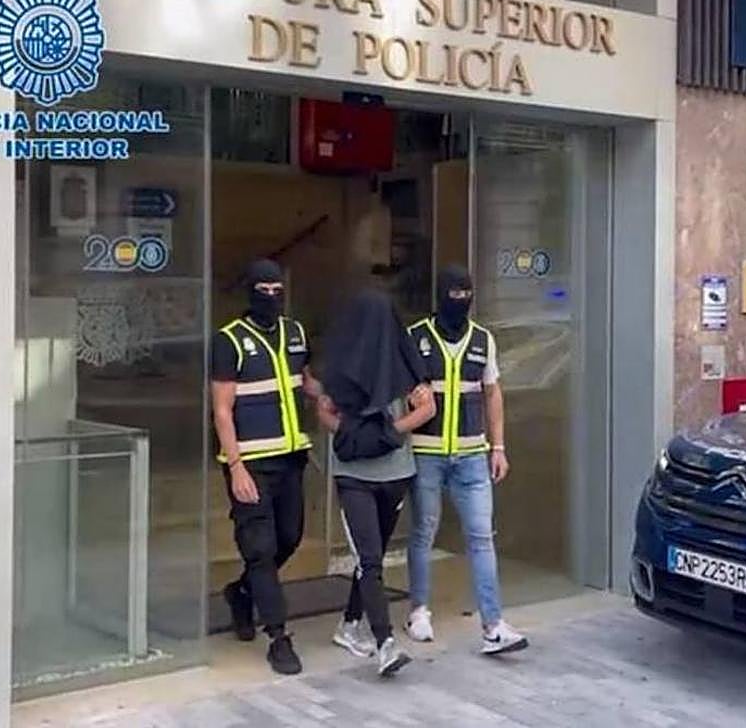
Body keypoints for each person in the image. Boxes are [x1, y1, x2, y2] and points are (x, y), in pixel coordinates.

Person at [403, 265, 529, 655]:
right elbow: (402, 390)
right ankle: (418, 611)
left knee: (480, 536)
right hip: (426, 452)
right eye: (454, 294)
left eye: (467, 294)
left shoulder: (483, 340)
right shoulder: (415, 337)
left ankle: (493, 624)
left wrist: (499, 447)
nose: (461, 301)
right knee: (423, 531)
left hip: (473, 454)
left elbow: (492, 393)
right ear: (440, 296)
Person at [316, 290, 436, 677]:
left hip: (396, 476)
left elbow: (428, 410)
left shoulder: (407, 365)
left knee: (372, 561)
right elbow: (327, 416)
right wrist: (387, 431)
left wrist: (375, 432)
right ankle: (385, 643)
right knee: (369, 559)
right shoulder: (340, 370)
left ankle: (349, 625)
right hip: (355, 478)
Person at [211, 258, 320, 675]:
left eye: (278, 289)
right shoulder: (230, 341)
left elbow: (304, 382)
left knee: (288, 538)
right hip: (251, 463)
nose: (272, 296)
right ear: (250, 292)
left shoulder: (295, 332)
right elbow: (222, 409)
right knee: (260, 548)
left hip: (291, 459)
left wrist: (333, 396)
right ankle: (278, 637)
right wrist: (235, 466)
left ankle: (241, 593)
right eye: (264, 290)